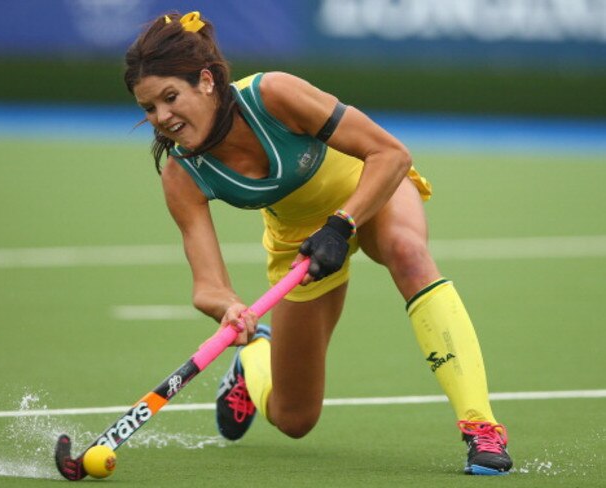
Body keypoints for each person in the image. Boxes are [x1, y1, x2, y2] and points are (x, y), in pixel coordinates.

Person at [124, 11, 513, 476]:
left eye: (170, 97)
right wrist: (228, 308)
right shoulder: (182, 175)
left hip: (367, 191)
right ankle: (254, 360)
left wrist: (342, 222)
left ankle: (481, 429)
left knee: (408, 253)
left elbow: (390, 154)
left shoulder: (274, 95)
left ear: (205, 81)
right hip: (298, 244)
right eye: (150, 109)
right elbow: (207, 284)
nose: (162, 118)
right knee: (294, 418)